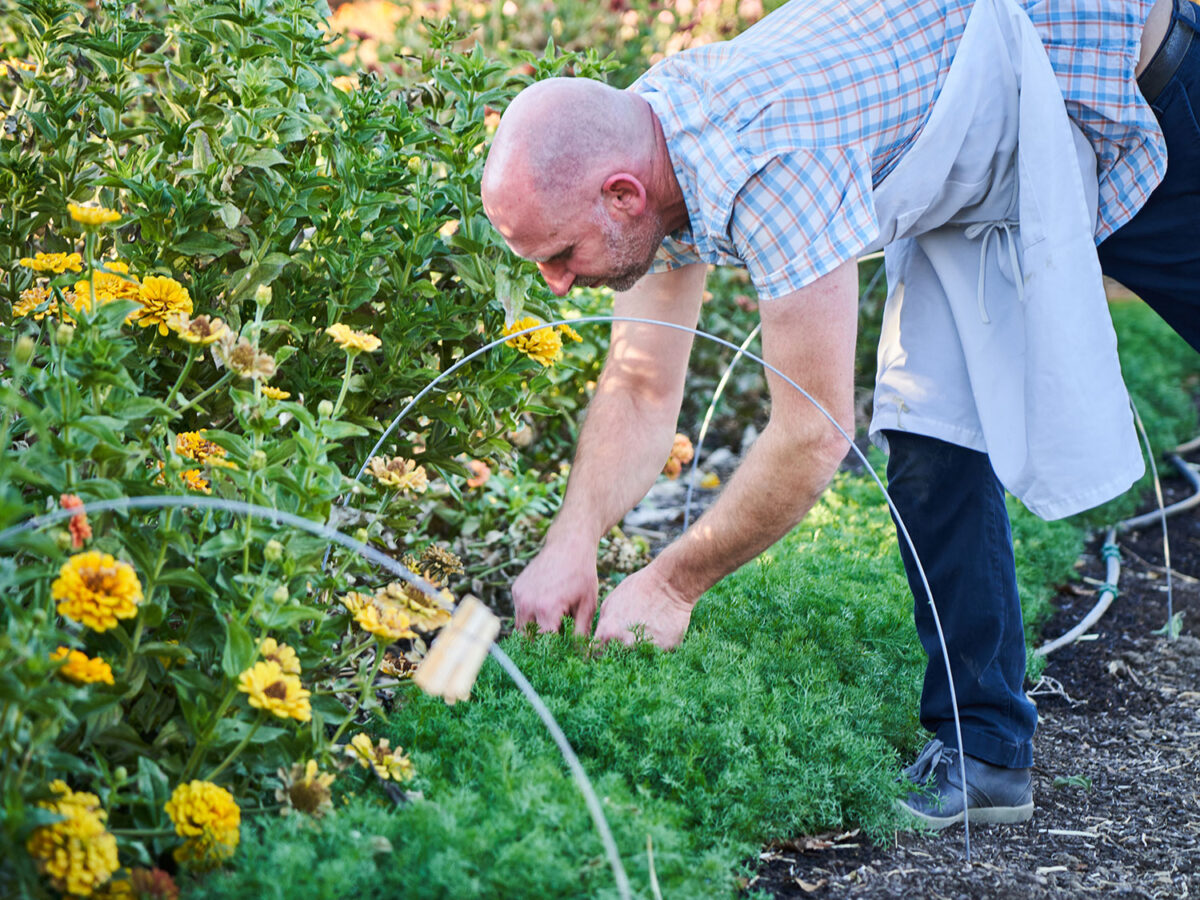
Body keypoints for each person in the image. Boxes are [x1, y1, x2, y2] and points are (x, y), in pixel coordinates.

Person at [480, 0, 1198, 829]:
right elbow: (643, 383)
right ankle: (986, 750)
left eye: (561, 257)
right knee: (929, 431)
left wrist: (672, 585)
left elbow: (813, 432)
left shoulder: (775, 160)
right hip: (974, 143)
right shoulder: (645, 148)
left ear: (621, 195)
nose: (559, 285)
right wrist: (571, 543)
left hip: (1122, 86)